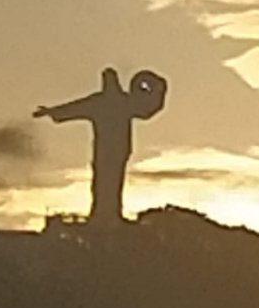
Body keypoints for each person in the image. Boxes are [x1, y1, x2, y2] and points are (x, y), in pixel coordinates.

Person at [34, 67, 167, 227]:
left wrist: (53, 112)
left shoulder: (113, 102)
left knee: (109, 182)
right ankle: (103, 214)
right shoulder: (116, 102)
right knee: (105, 182)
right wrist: (53, 111)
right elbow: (75, 108)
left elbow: (148, 109)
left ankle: (109, 214)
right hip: (109, 149)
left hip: (113, 149)